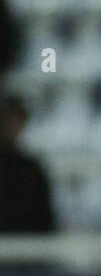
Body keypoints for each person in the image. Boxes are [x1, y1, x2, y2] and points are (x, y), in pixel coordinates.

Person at [0, 95, 56, 234]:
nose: (8, 125)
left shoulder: (31, 170)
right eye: (4, 119)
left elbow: (45, 221)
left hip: (26, 250)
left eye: (14, 120)